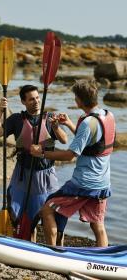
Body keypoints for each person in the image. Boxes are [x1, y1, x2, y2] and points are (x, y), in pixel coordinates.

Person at [30, 80, 116, 247]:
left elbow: (70, 155)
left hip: (84, 184)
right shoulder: (108, 115)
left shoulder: (86, 123)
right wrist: (69, 124)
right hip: (103, 184)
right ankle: (101, 261)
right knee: (97, 225)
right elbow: (92, 142)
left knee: (47, 209)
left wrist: (41, 153)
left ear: (79, 100)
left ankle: (52, 252)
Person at [0, 85, 68, 242]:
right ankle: (28, 247)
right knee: (24, 217)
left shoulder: (50, 118)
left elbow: (64, 140)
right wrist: (0, 111)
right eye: (31, 99)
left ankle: (55, 250)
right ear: (23, 102)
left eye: (38, 97)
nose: (36, 101)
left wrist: (56, 127)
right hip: (23, 176)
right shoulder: (16, 120)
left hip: (46, 175)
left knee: (52, 218)